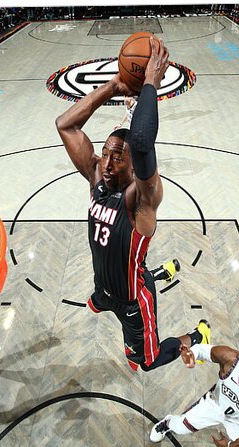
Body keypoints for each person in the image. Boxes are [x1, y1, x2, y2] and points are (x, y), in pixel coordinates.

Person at [55, 37, 210, 372]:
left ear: (133, 168)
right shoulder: (97, 176)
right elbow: (65, 125)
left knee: (145, 360)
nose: (108, 163)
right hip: (103, 287)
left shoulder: (141, 198)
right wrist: (113, 86)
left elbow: (140, 142)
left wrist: (150, 84)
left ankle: (197, 336)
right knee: (100, 300)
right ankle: (153, 274)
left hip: (132, 303)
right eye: (106, 154)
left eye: (118, 159)